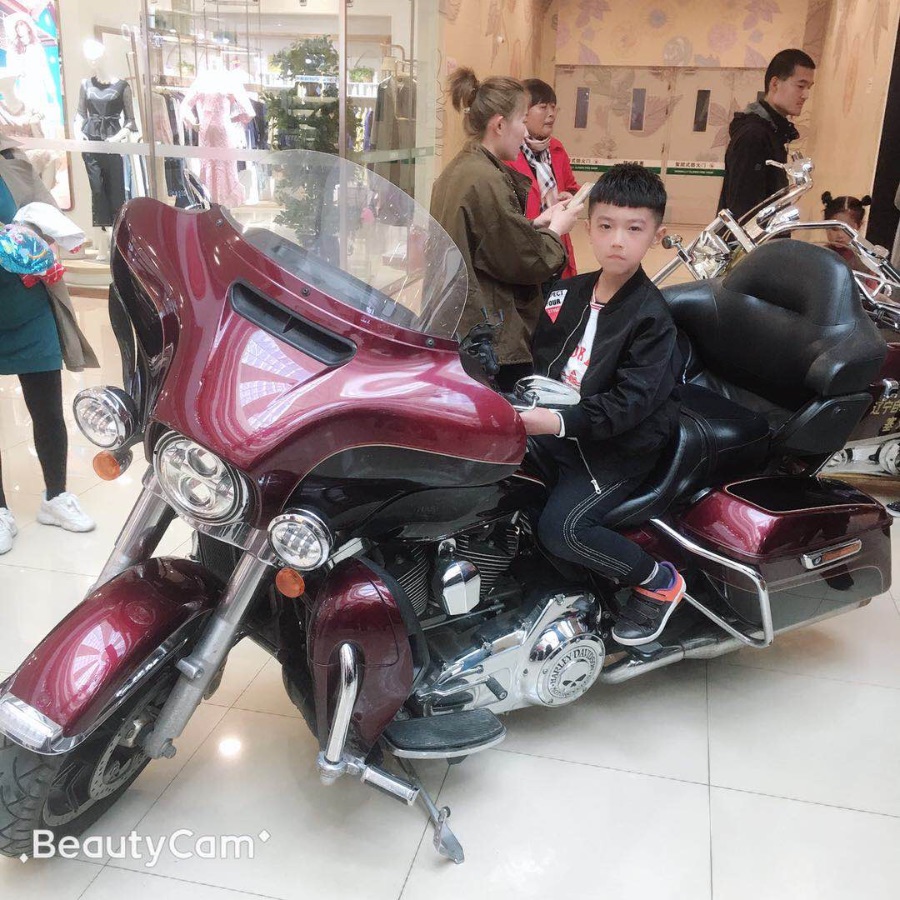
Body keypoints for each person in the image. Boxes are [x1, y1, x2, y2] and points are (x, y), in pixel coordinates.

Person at [520, 164, 685, 646]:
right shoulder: (567, 292)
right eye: (606, 226)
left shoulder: (653, 317)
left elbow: (627, 406)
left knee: (563, 529)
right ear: (588, 226)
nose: (617, 241)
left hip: (617, 447)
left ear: (656, 234)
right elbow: (537, 359)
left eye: (634, 229)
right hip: (561, 428)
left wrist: (554, 422)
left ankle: (658, 581)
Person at [430, 67, 581, 391]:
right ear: (499, 125)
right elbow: (525, 260)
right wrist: (556, 231)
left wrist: (533, 224)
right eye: (522, 121)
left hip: (466, 321)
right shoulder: (486, 179)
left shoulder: (462, 169)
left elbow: (486, 238)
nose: (525, 132)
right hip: (490, 333)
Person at [0, 136, 97, 555]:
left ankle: (56, 497)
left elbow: (49, 217)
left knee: (47, 407)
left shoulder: (13, 162)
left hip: (30, 302)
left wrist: (30, 236)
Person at [718, 48, 815, 220]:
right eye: (800, 86)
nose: (806, 95)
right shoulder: (754, 135)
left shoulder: (774, 133)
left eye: (809, 88)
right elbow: (743, 211)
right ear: (775, 84)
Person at [507, 78, 580, 281]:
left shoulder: (556, 149)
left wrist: (570, 196)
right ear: (523, 113)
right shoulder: (509, 153)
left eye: (553, 107)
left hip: (557, 242)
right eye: (542, 107)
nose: (551, 114)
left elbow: (572, 186)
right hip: (526, 248)